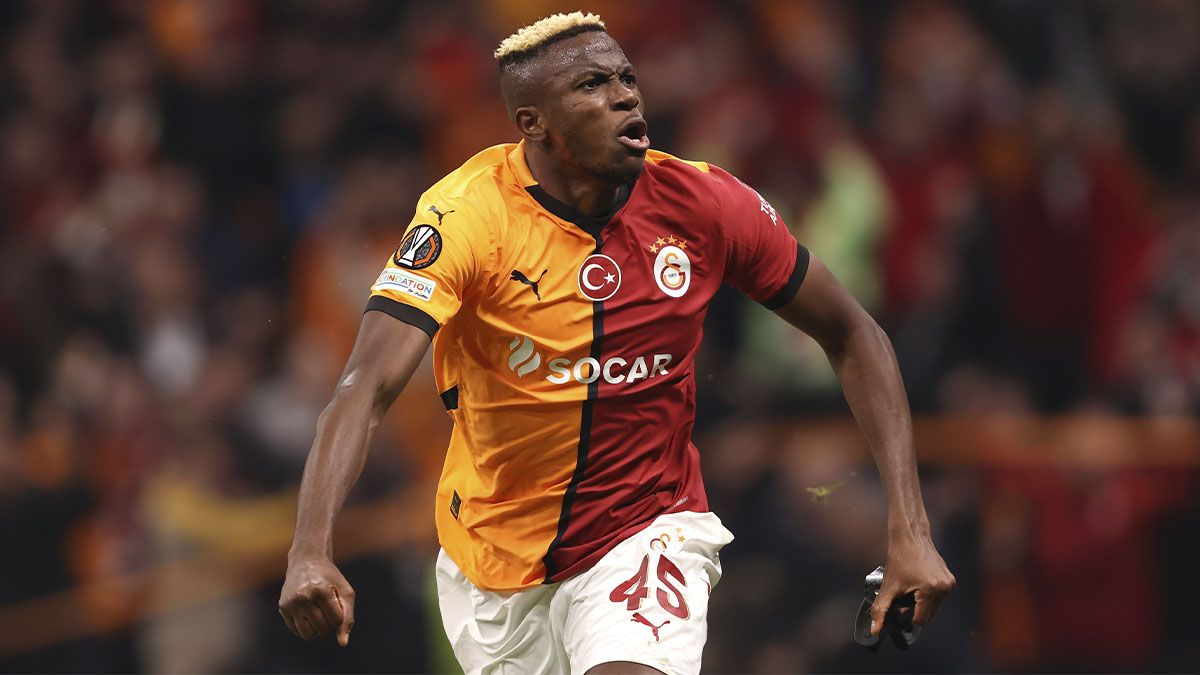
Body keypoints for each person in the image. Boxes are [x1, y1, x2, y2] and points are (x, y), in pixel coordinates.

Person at [278, 11, 954, 674]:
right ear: (533, 123)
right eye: (591, 85)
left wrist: (911, 531)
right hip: (495, 560)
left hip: (647, 530)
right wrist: (310, 547)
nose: (625, 95)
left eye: (626, 78)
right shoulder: (466, 218)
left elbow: (854, 332)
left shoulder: (704, 203)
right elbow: (364, 386)